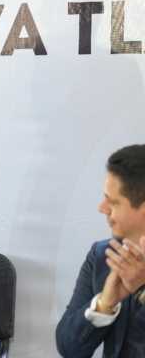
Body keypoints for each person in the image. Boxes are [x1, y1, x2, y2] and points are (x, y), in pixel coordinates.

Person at [57, 144, 145, 357]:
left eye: (113, 202)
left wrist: (141, 290)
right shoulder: (103, 255)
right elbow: (69, 349)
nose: (101, 208)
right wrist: (105, 304)